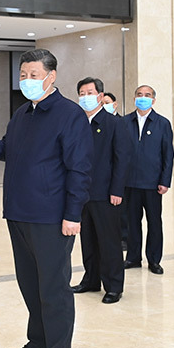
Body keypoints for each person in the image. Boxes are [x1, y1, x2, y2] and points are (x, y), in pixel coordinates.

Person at [0, 49, 92, 348]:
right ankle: (38, 344)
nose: (27, 81)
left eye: (34, 75)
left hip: (51, 217)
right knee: (31, 285)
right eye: (23, 75)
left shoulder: (69, 115)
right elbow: (8, 150)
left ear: (51, 76)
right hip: (19, 213)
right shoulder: (22, 114)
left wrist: (73, 214)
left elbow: (79, 169)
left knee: (54, 290)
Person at [71, 77, 131, 304]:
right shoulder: (76, 123)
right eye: (82, 93)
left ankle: (114, 286)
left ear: (100, 96)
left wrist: (117, 190)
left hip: (106, 194)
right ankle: (91, 279)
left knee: (109, 242)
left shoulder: (114, 123)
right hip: (81, 193)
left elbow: (122, 159)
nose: (85, 97)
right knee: (88, 240)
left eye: (90, 92)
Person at [123, 85, 174, 274]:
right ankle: (133, 257)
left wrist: (165, 181)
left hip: (153, 183)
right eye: (139, 94)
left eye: (147, 95)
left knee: (154, 222)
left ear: (153, 100)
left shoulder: (162, 123)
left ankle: (154, 260)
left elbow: (168, 154)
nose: (142, 98)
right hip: (129, 182)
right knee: (132, 222)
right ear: (134, 98)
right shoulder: (124, 122)